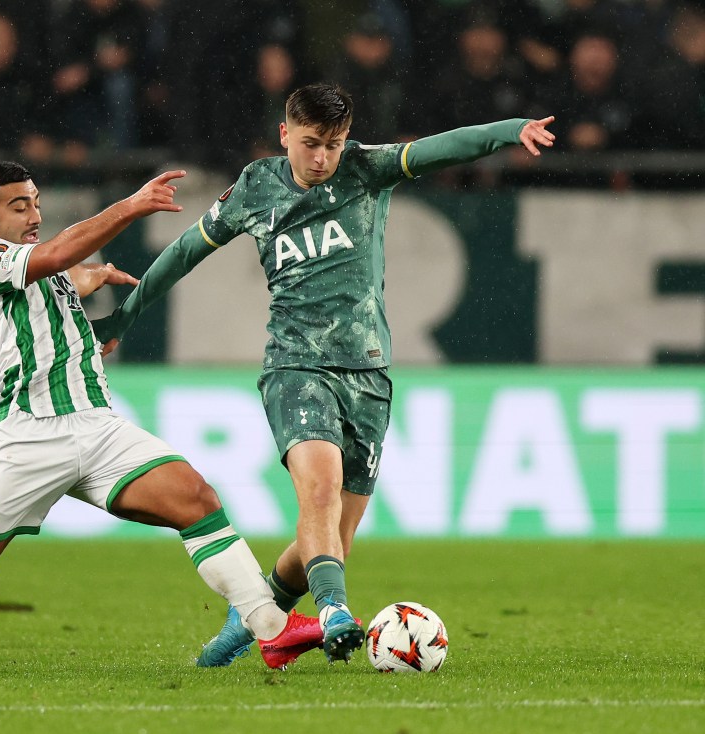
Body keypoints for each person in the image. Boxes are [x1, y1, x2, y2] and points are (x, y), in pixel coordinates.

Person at [93, 83, 555, 666]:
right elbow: (185, 251)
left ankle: (250, 617)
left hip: (368, 375)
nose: (320, 159)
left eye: (332, 145)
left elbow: (439, 149)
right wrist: (124, 320)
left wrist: (509, 130)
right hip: (295, 365)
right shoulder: (257, 187)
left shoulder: (364, 169)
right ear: (285, 134)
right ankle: (334, 612)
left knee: (333, 534)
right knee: (319, 492)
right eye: (309, 144)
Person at [0, 161, 325, 673]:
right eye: (18, 205)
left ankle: (271, 631)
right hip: (27, 439)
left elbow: (49, 301)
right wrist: (132, 206)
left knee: (196, 499)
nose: (33, 213)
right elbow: (52, 257)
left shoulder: (43, 272)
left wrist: (87, 314)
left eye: (36, 202)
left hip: (97, 427)